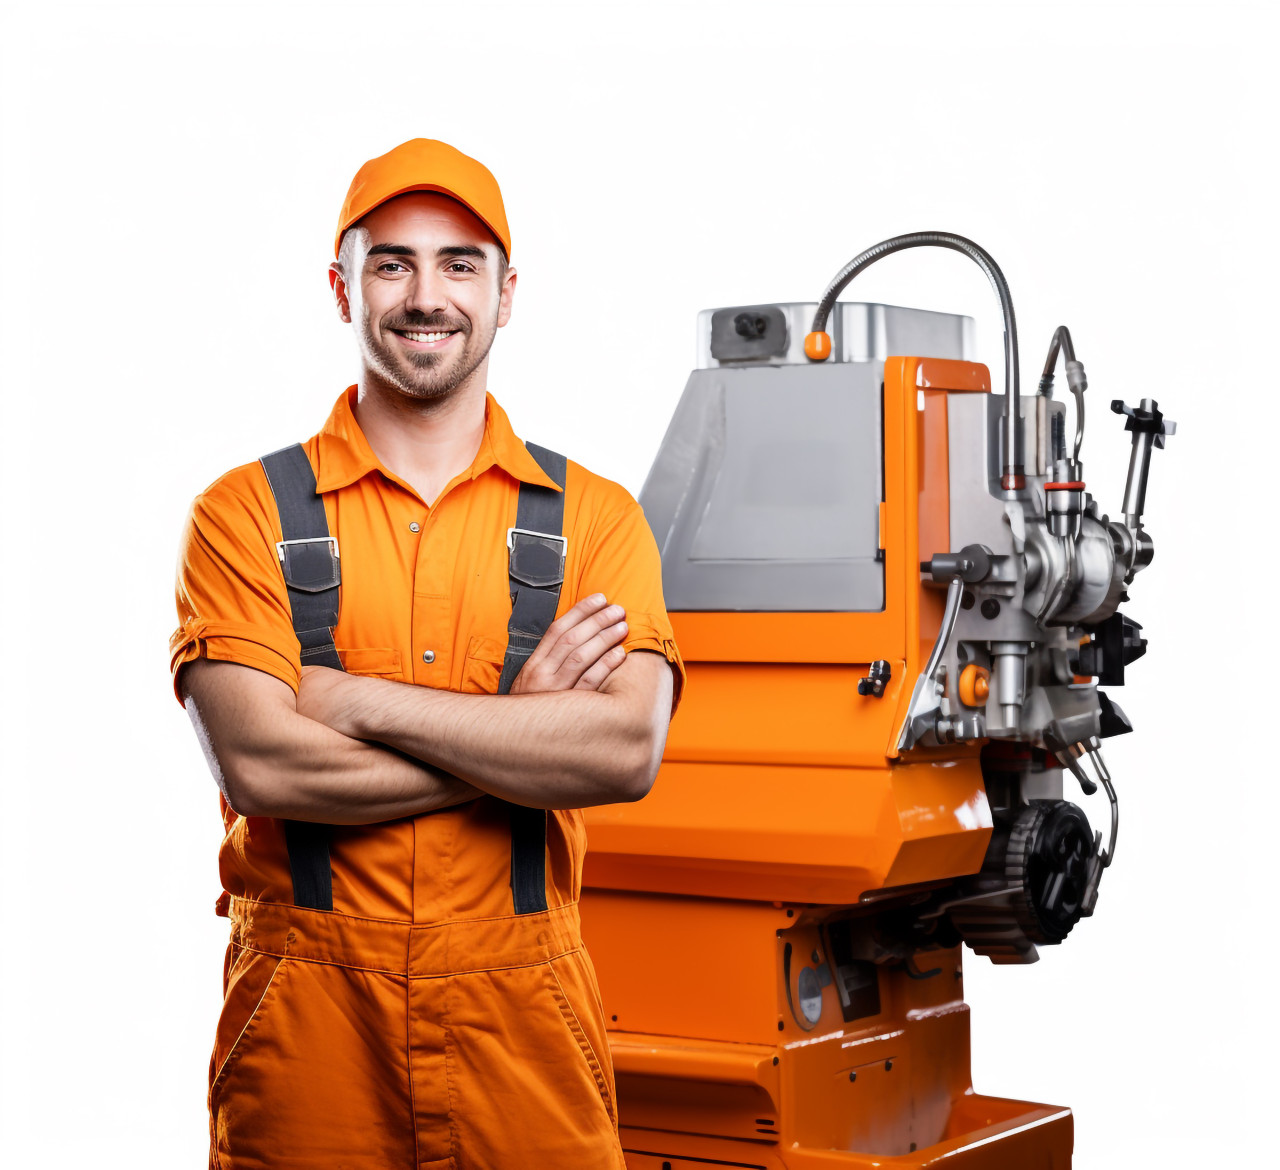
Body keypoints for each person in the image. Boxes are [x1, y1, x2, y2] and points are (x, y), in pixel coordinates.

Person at [170, 138, 685, 1170]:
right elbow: (262, 766)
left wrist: (356, 703)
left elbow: (624, 752)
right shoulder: (242, 514)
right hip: (308, 1025)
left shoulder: (594, 518)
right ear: (342, 288)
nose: (425, 296)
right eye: (392, 263)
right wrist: (524, 732)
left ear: (505, 294)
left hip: (525, 1022)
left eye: (459, 264)